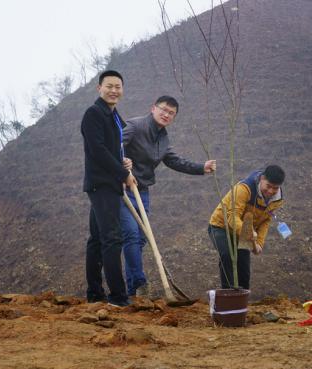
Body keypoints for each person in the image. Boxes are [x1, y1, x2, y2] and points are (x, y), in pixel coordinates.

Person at [121, 95, 216, 296]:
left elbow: (174, 161)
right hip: (122, 188)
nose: (166, 114)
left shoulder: (163, 139)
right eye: (163, 109)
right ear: (153, 108)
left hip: (142, 190)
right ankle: (139, 283)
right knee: (130, 233)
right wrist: (121, 170)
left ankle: (133, 290)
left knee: (139, 239)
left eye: (171, 113)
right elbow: (114, 146)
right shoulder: (135, 126)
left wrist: (202, 168)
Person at [81, 70, 136, 307]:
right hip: (102, 184)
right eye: (109, 86)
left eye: (118, 86)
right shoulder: (93, 114)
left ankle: (95, 293)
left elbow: (112, 151)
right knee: (112, 239)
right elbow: (98, 150)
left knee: (97, 239)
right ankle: (118, 297)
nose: (114, 90)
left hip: (108, 183)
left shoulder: (113, 116)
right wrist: (123, 174)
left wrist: (125, 162)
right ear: (99, 88)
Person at [208, 165, 285, 290]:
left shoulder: (277, 199)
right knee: (228, 255)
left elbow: (266, 219)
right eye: (268, 186)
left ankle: (242, 299)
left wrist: (259, 242)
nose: (271, 191)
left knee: (243, 266)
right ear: (262, 178)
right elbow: (232, 217)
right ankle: (228, 295)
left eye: (275, 188)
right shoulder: (244, 189)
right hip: (221, 226)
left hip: (245, 232)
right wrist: (248, 232)